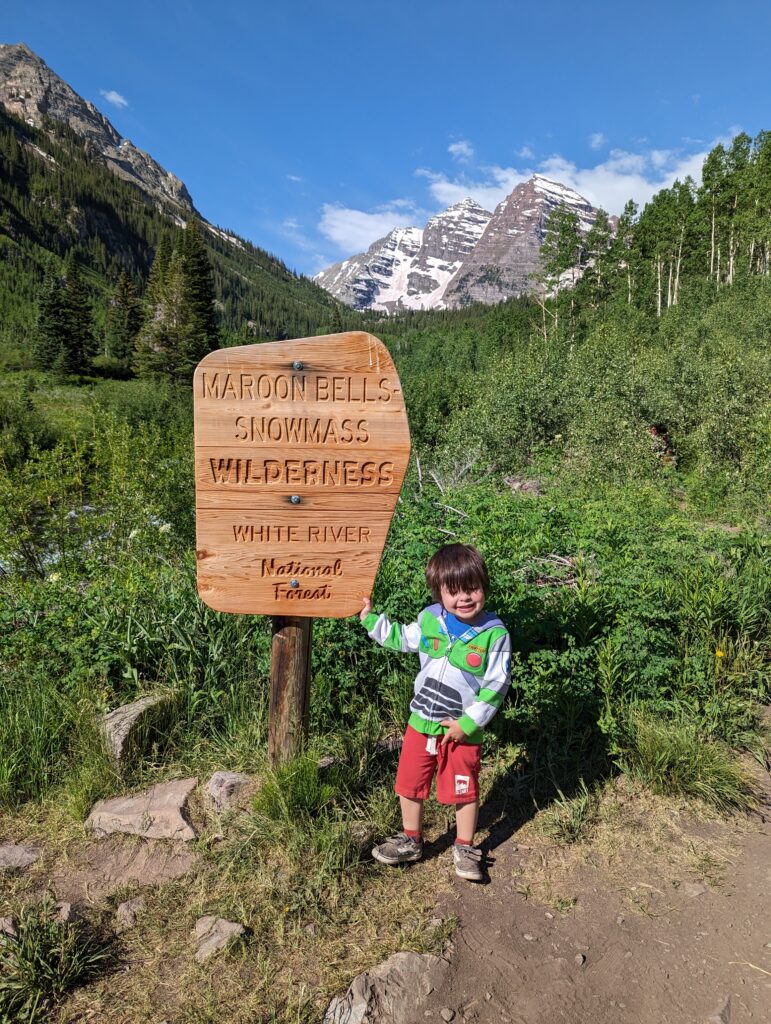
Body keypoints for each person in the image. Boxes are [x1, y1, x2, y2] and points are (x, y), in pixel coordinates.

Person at [359, 543, 511, 882]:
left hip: (460, 728)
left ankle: (465, 846)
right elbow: (402, 638)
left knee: (464, 788)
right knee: (409, 784)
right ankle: (411, 840)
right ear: (438, 592)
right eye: (454, 591)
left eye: (472, 588)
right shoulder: (430, 619)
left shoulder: (494, 634)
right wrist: (371, 619)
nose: (465, 598)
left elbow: (496, 685)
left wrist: (468, 723)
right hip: (420, 722)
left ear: (484, 585)